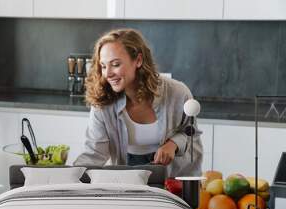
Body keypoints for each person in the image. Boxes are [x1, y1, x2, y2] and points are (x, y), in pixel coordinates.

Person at [73, 28, 203, 177]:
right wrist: (71, 178)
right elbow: (94, 153)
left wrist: (174, 144)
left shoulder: (177, 93)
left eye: (115, 64)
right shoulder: (103, 102)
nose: (107, 74)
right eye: (103, 66)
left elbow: (191, 133)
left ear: (138, 60)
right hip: (129, 183)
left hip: (175, 184)